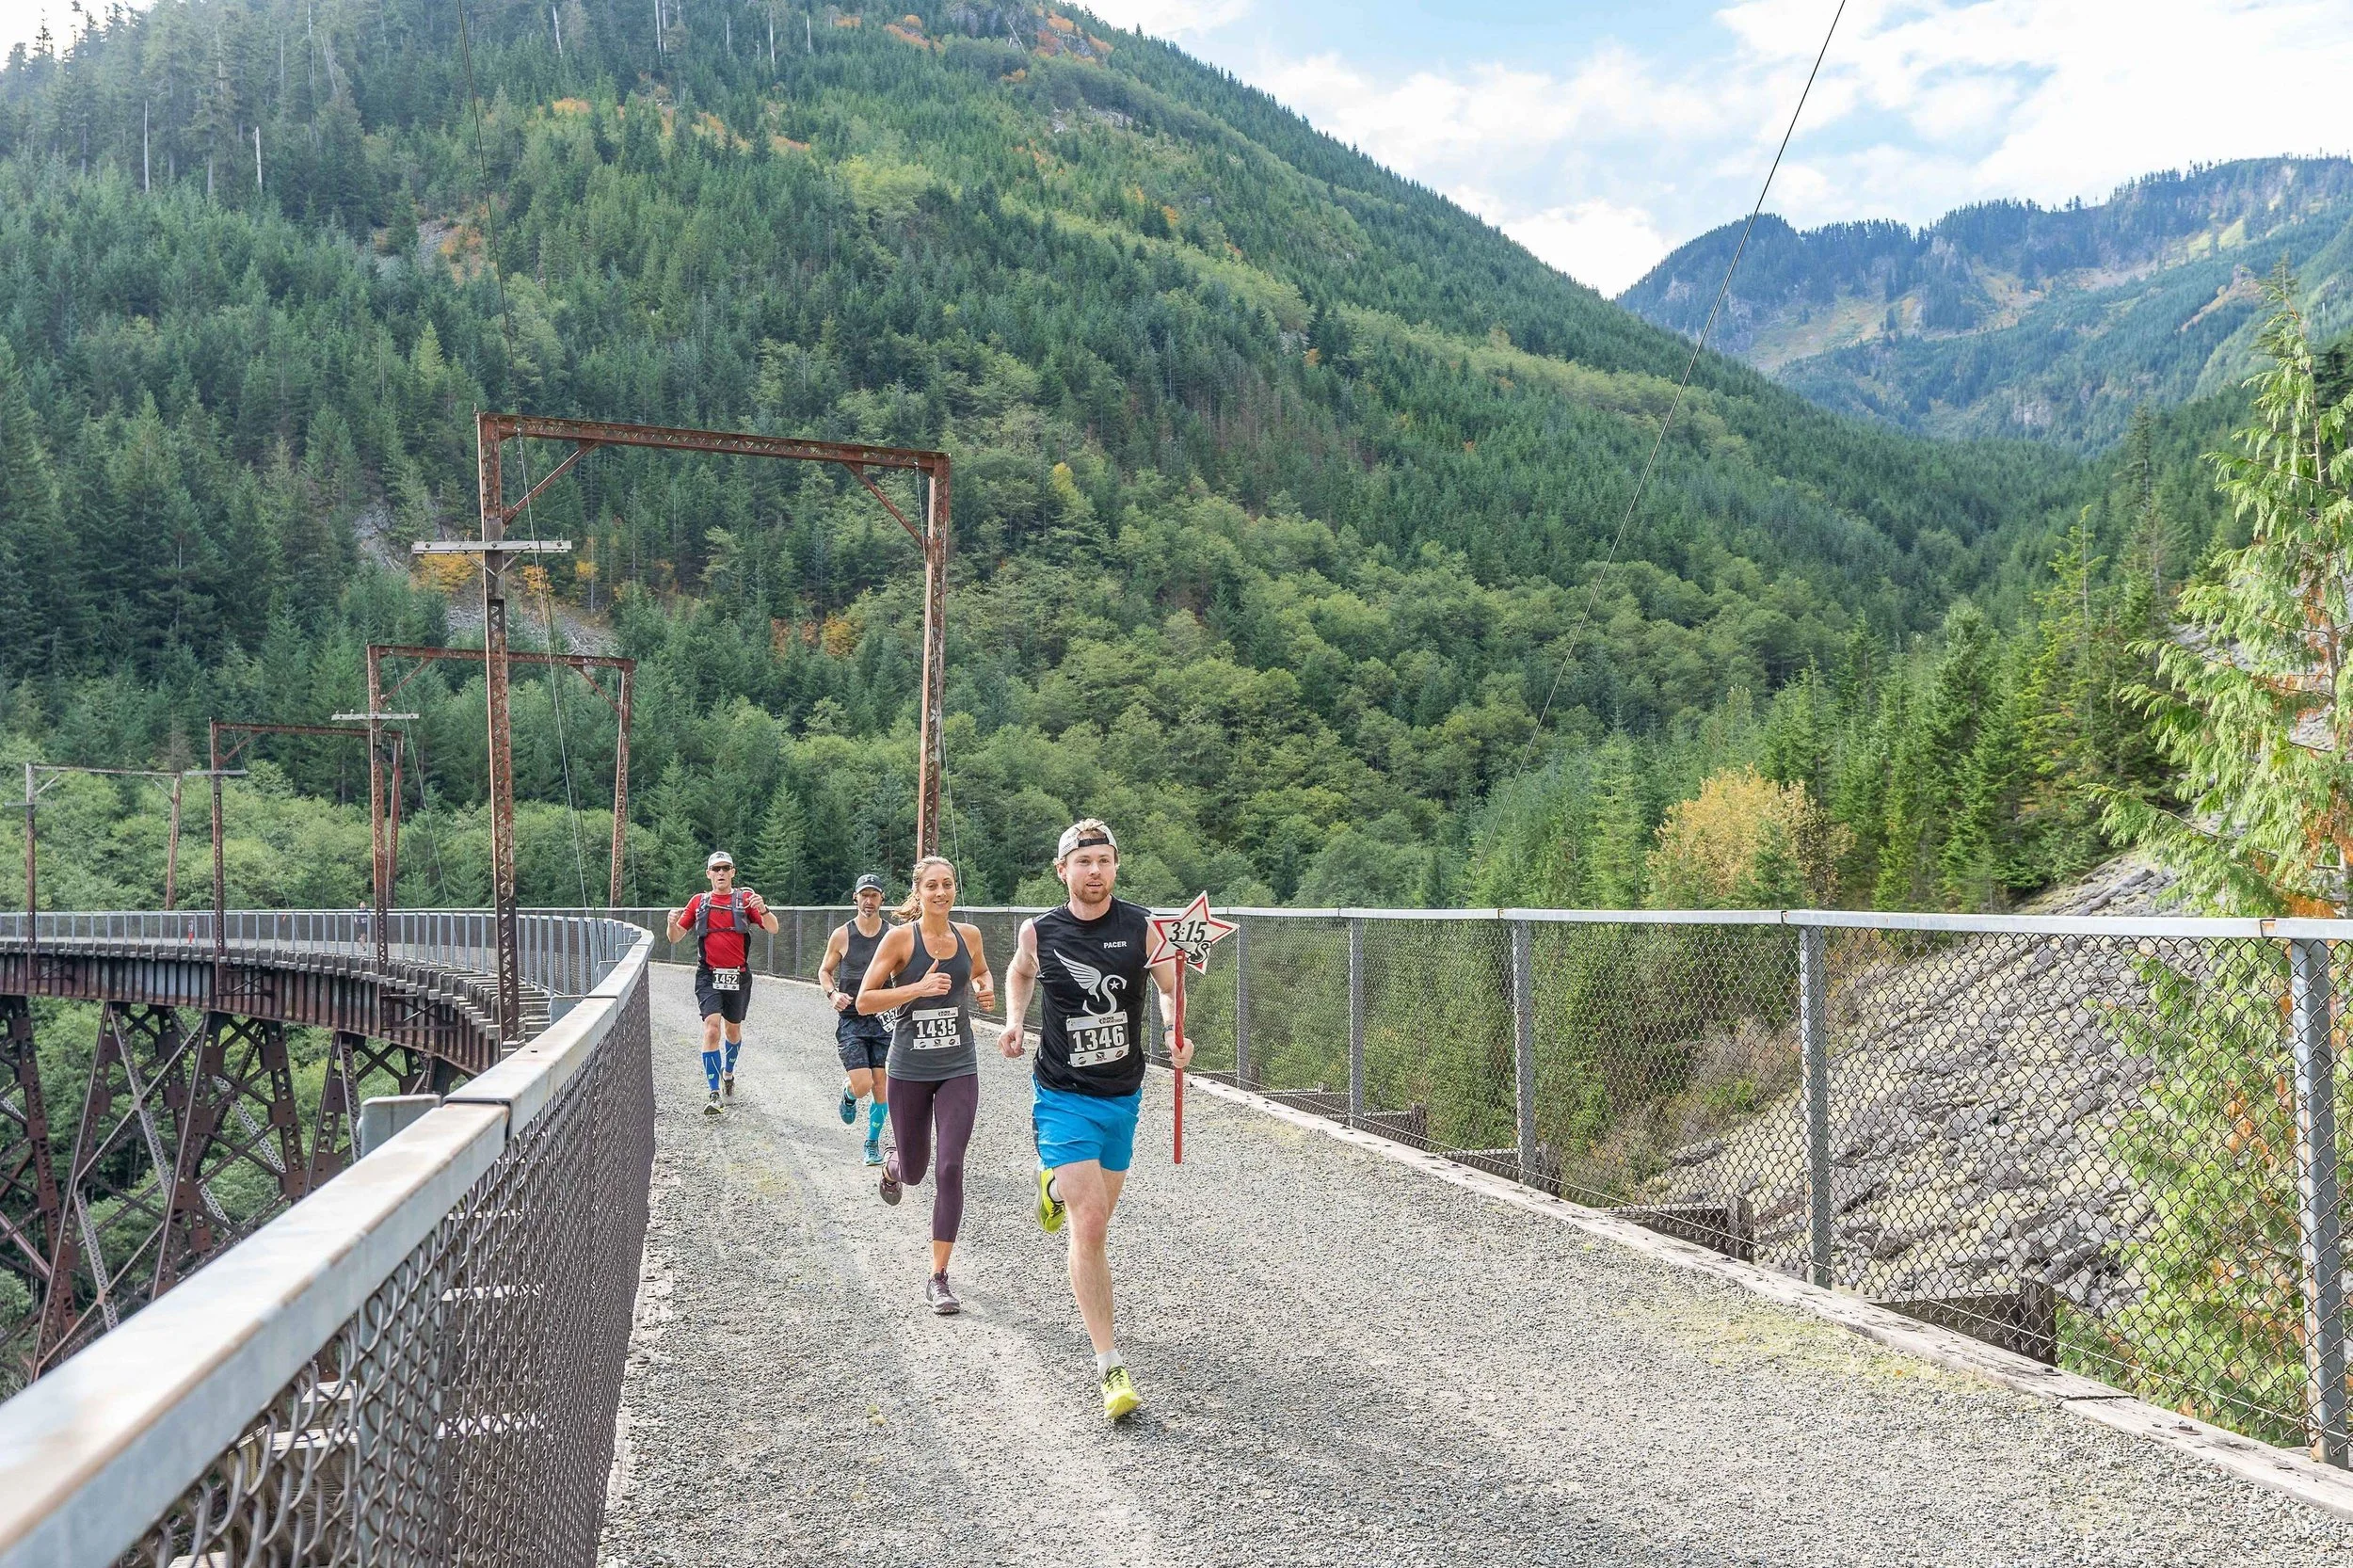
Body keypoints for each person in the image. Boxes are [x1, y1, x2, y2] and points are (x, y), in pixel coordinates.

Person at [996, 819, 1191, 1422]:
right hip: (1062, 1095)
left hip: (1121, 1096)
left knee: (1095, 1210)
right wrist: (1013, 1020)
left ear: (1115, 866)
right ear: (1063, 870)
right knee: (1093, 1223)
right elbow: (1021, 971)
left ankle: (1051, 1183)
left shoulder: (1142, 926)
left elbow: (1168, 986)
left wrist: (1172, 1027)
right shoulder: (1041, 931)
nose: (1095, 872)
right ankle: (1110, 1365)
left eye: (1105, 860)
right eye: (1084, 862)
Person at [856, 856, 995, 1315]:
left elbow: (979, 971)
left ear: (955, 889)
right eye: (931, 886)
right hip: (910, 1068)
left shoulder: (968, 935)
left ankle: (938, 1276)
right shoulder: (901, 939)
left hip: (959, 1064)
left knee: (950, 1166)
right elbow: (864, 1000)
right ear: (918, 894)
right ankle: (892, 1167)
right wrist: (917, 988)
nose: (940, 893)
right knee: (915, 1170)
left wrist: (982, 989)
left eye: (948, 885)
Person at [665, 850, 781, 1116]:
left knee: (733, 1031)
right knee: (711, 1029)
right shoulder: (698, 902)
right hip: (708, 974)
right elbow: (675, 937)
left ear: (733, 872)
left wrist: (763, 908)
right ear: (708, 874)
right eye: (715, 869)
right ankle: (713, 1092)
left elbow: (773, 928)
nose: (720, 873)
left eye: (725, 868)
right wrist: (671, 924)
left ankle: (728, 1073)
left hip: (737, 975)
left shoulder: (745, 900)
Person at [818, 873, 893, 1165]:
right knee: (862, 1085)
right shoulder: (842, 934)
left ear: (881, 900)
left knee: (881, 1083)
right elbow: (825, 971)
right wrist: (832, 993)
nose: (869, 901)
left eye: (874, 895)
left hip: (885, 1020)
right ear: (856, 898)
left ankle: (872, 1143)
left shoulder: (893, 934)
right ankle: (849, 1094)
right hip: (851, 1019)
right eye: (865, 895)